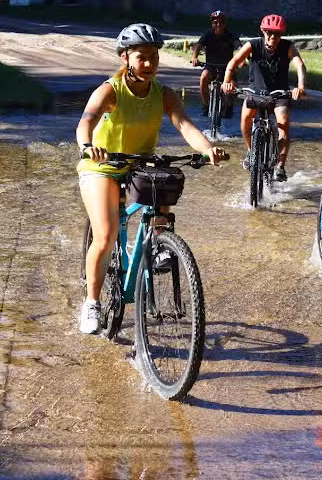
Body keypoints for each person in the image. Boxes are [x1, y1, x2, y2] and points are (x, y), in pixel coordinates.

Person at [76, 23, 226, 335]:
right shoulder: (110, 91)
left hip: (139, 166)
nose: (149, 64)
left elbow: (185, 126)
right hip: (102, 166)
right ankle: (91, 303)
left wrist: (208, 150)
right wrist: (89, 147)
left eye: (154, 57)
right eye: (141, 57)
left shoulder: (164, 94)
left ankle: (158, 244)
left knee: (165, 189)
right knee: (105, 235)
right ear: (125, 60)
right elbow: (86, 120)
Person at [221, 14, 306, 182]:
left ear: (281, 34)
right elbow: (234, 62)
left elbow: (299, 64)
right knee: (245, 118)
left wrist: (301, 86)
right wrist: (226, 82)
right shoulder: (253, 44)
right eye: (269, 32)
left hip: (279, 93)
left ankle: (280, 165)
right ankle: (251, 151)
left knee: (283, 122)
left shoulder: (288, 47)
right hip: (255, 92)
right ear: (263, 31)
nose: (272, 37)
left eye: (277, 34)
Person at [191, 10, 242, 115]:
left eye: (221, 22)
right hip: (211, 66)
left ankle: (229, 106)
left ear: (224, 23)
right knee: (203, 78)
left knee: (233, 87)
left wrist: (242, 60)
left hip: (228, 68)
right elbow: (198, 46)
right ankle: (206, 106)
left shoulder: (231, 35)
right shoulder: (208, 35)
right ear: (212, 23)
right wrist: (195, 57)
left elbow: (240, 48)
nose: (218, 24)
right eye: (215, 22)